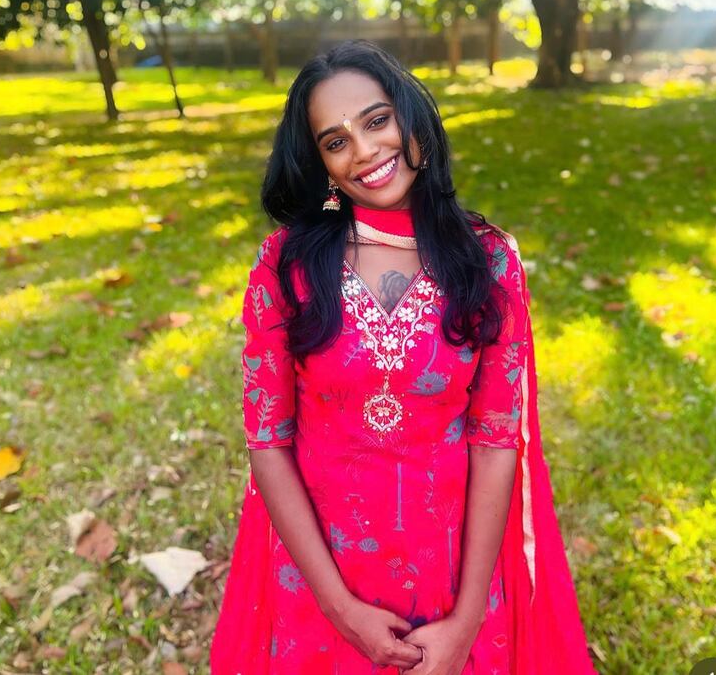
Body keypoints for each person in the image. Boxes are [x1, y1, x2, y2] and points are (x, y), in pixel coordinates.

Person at [210, 40, 596, 674]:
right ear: (322, 164)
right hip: (323, 576)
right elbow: (267, 443)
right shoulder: (284, 268)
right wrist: (339, 608)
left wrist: (467, 619)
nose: (364, 151)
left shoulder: (489, 261)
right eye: (335, 142)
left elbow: (496, 441)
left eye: (376, 120)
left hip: (451, 576)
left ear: (411, 117)